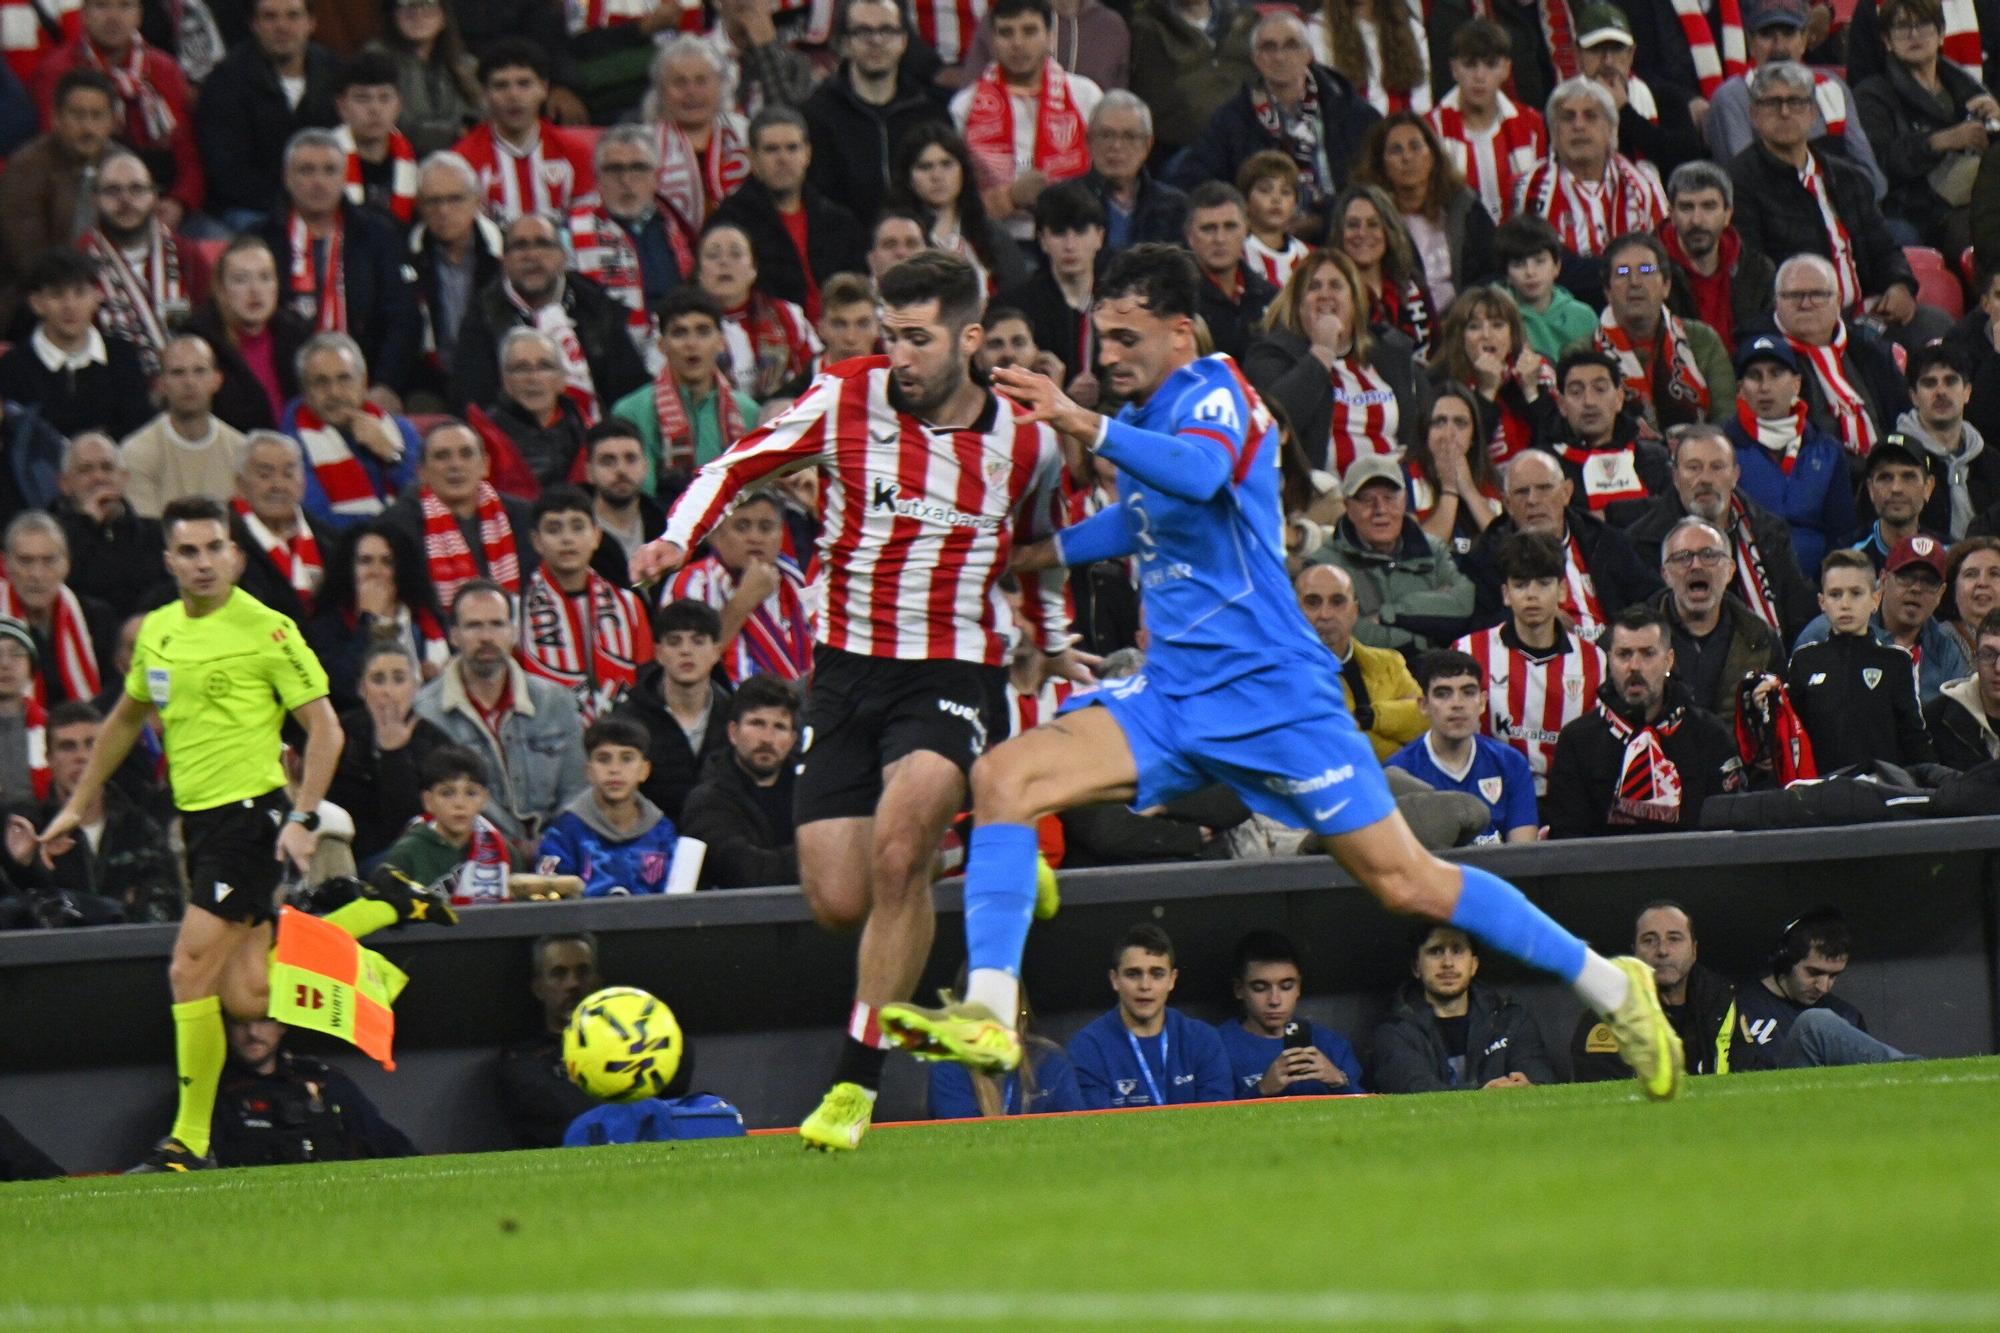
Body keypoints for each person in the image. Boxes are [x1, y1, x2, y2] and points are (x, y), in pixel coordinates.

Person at [884, 244, 1692, 1128]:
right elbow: (1151, 513)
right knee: (1006, 779)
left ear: (1179, 330)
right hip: (1173, 698)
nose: (1108, 353)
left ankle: (1616, 987)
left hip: (1276, 703)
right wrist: (1040, 552)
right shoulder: (1155, 410)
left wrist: (1082, 421)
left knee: (1410, 884)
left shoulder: (1217, 391)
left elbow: (1194, 473)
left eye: (1126, 336)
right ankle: (992, 1015)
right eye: (1099, 336)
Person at [627, 250, 1077, 1150]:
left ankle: (855, 1083)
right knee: (840, 894)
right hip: (841, 670)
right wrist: (678, 539)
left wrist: (1056, 644)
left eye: (919, 338)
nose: (900, 355)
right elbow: (737, 463)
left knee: (899, 844)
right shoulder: (846, 397)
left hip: (952, 669)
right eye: (890, 335)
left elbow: (1040, 549)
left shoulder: (1028, 440)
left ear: (971, 339)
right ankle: (982, 860)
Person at [33, 496, 407, 1172]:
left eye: (216, 548)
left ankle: (190, 1139)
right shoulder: (160, 632)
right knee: (248, 994)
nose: (205, 562)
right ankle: (384, 904)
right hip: (199, 824)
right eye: (190, 550)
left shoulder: (267, 629)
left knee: (187, 967)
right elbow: (124, 718)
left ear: (234, 552)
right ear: (170, 558)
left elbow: (325, 729)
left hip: (252, 815)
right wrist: (75, 805)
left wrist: (300, 816)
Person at [1730, 63, 1937, 355]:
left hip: (1866, 313)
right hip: (1802, 323)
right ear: (1754, 115)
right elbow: (1756, 278)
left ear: (1813, 113)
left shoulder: (1846, 176)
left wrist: (1899, 285)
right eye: (1773, 103)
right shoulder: (1740, 182)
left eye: (1797, 102)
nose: (1785, 112)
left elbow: (1884, 248)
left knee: (1936, 330)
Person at [1169, 9, 1381, 232]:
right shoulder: (1233, 119)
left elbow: (1376, 183)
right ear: (1256, 59)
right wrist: (1245, 219)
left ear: (1308, 54)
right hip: (1262, 238)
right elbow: (1193, 179)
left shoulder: (1350, 110)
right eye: (1269, 47)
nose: (1279, 57)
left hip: (1344, 230)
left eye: (1291, 45)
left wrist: (1325, 220)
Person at [1545, 603, 1744, 837]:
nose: (1634, 666)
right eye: (1624, 654)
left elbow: (1727, 831)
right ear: (1610, 660)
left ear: (1669, 660)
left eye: (1648, 654)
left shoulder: (1709, 734)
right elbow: (1568, 840)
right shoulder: (1578, 741)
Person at [263, 127, 422, 396]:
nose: (318, 182)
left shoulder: (378, 235)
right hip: (284, 386)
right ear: (287, 178)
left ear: (344, 177)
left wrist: (385, 385)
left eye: (329, 171)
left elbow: (402, 319)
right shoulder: (263, 240)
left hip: (365, 383)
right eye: (306, 171)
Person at [1625, 423, 1817, 644]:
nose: (1705, 479)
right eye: (1694, 467)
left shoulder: (1769, 532)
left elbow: (1798, 612)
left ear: (1735, 475)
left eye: (1717, 467)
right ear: (1676, 477)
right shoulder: (1641, 542)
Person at [450, 212, 649, 421]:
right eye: (520, 246)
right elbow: (472, 404)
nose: (532, 255)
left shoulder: (597, 307)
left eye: (542, 244)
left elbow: (631, 395)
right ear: (504, 261)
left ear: (563, 256)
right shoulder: (483, 316)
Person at [1453, 531, 1608, 796]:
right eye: (1521, 584)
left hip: (1567, 795)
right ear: (1506, 593)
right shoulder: (1468, 651)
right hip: (1489, 792)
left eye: (1544, 583)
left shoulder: (1594, 660)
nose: (1532, 595)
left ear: (1561, 590)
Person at [1244, 248, 1425, 475]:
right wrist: (1322, 351)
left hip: (1391, 492)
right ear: (1298, 304)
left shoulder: (1389, 353)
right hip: (1321, 500)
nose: (1325, 294)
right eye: (1314, 287)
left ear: (1355, 300)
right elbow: (1274, 426)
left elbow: (1419, 429)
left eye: (1336, 286)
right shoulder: (1270, 355)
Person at [1, 698, 180, 926]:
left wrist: (73, 905)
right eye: (68, 746)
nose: (82, 757)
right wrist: (24, 866)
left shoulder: (139, 827)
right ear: (49, 758)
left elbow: (163, 907)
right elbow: (21, 913)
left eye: (92, 744)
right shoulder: (30, 833)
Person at [1460, 447, 1662, 637]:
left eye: (1544, 488)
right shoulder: (1487, 557)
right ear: (1507, 504)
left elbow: (1650, 596)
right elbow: (1478, 626)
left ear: (1566, 492)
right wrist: (1526, 622)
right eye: (1522, 492)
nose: (1532, 500)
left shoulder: (1602, 540)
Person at [947, 0, 1104, 242]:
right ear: (992, 40)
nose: (1017, 43)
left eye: (1029, 31)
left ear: (1050, 37)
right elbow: (955, 195)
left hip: (1074, 237)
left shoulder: (1086, 96)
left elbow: (1105, 176)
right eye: (1006, 32)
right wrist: (1009, 197)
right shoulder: (964, 106)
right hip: (995, 241)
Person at [1702, 0, 1886, 203]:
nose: (1779, 47)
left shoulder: (1832, 87)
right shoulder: (1732, 98)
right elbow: (1748, 185)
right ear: (1750, 42)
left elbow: (1873, 180)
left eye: (1789, 34)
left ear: (1805, 38)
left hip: (1844, 212)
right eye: (1767, 34)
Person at [1855, 0, 1999, 257]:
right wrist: (1938, 141)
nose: (1913, 34)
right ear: (1887, 40)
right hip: (1913, 207)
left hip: (1975, 196)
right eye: (1901, 26)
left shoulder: (1966, 87)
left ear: (1942, 33)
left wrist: (1997, 122)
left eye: (1922, 24)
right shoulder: (1872, 94)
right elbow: (1879, 164)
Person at [1781, 548, 1936, 767]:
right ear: (1822, 602)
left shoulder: (1896, 662)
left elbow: (1913, 736)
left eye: (1855, 593)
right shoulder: (1805, 661)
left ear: (1875, 598)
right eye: (1835, 594)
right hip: (1820, 792)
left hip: (1880, 790)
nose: (1845, 604)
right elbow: (1789, 734)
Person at [711, 107, 866, 324]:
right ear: (752, 158)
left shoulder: (839, 221)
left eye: (792, 148)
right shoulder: (730, 223)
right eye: (771, 149)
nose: (783, 158)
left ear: (807, 154)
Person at [194, 0, 340, 230]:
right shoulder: (225, 81)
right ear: (254, 24)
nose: (282, 26)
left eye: (293, 16)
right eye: (270, 17)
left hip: (325, 203)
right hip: (252, 210)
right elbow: (229, 174)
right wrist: (294, 204)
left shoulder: (336, 74)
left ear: (311, 23)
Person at [1309, 454, 1477, 652]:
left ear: (1405, 499)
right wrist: (1426, 635)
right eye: (1367, 500)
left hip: (1434, 674)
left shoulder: (1434, 551)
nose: (1380, 509)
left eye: (1389, 498)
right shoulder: (1324, 565)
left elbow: (1462, 605)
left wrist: (1389, 615)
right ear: (1348, 506)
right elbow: (1347, 632)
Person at [1725, 332, 1857, 580]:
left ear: (1796, 384)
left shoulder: (1827, 450)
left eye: (1776, 374)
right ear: (1740, 389)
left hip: (1817, 588)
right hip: (1748, 586)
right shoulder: (1723, 448)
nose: (1765, 387)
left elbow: (1842, 534)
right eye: (1755, 376)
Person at [1572, 231, 1734, 433]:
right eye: (1622, 272)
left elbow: (1727, 421)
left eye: (1646, 270)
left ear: (1666, 285)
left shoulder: (1702, 339)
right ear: (1607, 291)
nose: (1635, 282)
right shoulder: (1583, 353)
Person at [802, 0, 948, 219]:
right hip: (847, 247)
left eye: (887, 30)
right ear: (845, 43)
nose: (876, 40)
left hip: (922, 245)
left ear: (904, 41)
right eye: (863, 31)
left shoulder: (930, 114)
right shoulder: (815, 116)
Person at [568, 126, 696, 369]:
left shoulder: (676, 226)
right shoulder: (572, 231)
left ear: (656, 177)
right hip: (605, 361)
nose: (626, 180)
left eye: (638, 168)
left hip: (677, 356)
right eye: (614, 169)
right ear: (597, 178)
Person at [1370, 925, 1557, 1092]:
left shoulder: (1510, 1020)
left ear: (1474, 965)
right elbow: (1416, 1091)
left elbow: (1543, 1081)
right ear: (1416, 967)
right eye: (1436, 951)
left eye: (1457, 950)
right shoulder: (1394, 1031)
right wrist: (1484, 1093)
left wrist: (1529, 1088)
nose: (1448, 963)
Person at [210, 1015, 418, 1166]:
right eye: (240, 1022)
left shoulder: (323, 1079)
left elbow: (386, 1142)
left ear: (282, 1023)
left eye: (264, 1019)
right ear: (225, 1027)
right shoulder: (210, 1093)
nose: (253, 1033)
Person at [1064, 924, 1234, 1108]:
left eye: (1157, 974)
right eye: (1133, 974)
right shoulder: (1088, 1047)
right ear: (1115, 980)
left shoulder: (1203, 1040)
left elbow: (1216, 1123)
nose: (1145, 985)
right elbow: (1095, 1130)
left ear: (1172, 979)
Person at [0, 70, 120, 328]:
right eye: (77, 115)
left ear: (112, 121)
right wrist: (82, 293)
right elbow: (30, 262)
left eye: (97, 116)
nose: (88, 127)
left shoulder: (123, 168)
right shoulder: (27, 168)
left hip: (113, 290)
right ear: (56, 118)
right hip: (42, 296)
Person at [519, 486, 649, 723]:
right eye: (553, 529)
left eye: (577, 527)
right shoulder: (519, 609)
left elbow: (647, 681)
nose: (567, 538)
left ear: (596, 536)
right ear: (537, 542)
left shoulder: (629, 605)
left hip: (622, 734)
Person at [1768, 254, 1914, 462]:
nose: (1806, 304)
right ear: (1777, 301)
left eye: (1818, 294)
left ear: (1837, 300)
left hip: (1885, 474)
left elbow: (1904, 421)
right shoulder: (1762, 359)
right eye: (1794, 295)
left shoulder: (1872, 352)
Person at [1386, 650, 1540, 843]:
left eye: (1468, 693)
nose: (1457, 704)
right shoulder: (1399, 772)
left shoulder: (1511, 763)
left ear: (1482, 702)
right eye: (1443, 694)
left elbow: (1523, 853)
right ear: (1423, 705)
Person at [1572, 901, 1737, 1081]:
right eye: (1649, 940)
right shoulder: (1609, 1012)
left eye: (1674, 938)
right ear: (1635, 953)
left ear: (1694, 950)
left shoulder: (1722, 1001)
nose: (1662, 950)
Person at [380, 420, 532, 615]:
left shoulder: (523, 518)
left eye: (466, 454)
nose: (455, 465)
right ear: (422, 472)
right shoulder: (395, 528)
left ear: (485, 465)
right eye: (442, 456)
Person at [0, 249, 153, 443]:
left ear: (97, 298)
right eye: (57, 295)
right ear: (36, 303)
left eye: (80, 293)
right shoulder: (13, 367)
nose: (70, 306)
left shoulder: (123, 356)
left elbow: (139, 433)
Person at [662, 490, 812, 686]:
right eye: (742, 527)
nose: (755, 538)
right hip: (724, 707)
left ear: (781, 535)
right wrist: (743, 601)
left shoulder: (796, 578)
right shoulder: (692, 581)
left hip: (799, 706)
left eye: (766, 528)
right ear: (714, 535)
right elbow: (688, 661)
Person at [79, 151, 206, 379]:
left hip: (186, 385)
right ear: (95, 198)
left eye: (137, 189)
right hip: (111, 386)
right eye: (113, 191)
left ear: (154, 197)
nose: (125, 200)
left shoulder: (186, 255)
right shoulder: (79, 260)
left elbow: (210, 327)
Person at [1733, 909, 1910, 1071]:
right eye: (1814, 972)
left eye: (1833, 976)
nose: (1823, 987)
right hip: (1764, 1099)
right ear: (1785, 961)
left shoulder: (1845, 1016)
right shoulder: (1738, 1007)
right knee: (1814, 1022)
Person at [495, 932, 628, 1147]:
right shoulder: (523, 1061)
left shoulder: (627, 1043)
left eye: (583, 972)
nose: (573, 984)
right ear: (539, 988)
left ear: (597, 982)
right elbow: (568, 1115)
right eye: (559, 974)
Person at [1512, 77, 1666, 260]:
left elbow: (1659, 266)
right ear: (1554, 132)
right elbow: (1520, 263)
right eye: (1568, 117)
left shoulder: (1645, 186)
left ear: (1610, 130)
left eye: (1590, 116)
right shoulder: (1527, 188)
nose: (1578, 126)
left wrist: (1626, 273)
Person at [1355, 113, 1495, 314]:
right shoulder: (1370, 216)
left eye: (1415, 146)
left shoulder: (1463, 206)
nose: (1407, 157)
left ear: (1432, 155)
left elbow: (1490, 271)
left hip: (1463, 322)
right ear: (1381, 164)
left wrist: (1462, 313)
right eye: (1396, 150)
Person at [326, 640, 451, 865]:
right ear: (362, 689)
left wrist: (394, 755)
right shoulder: (339, 735)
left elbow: (411, 824)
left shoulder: (437, 743)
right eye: (378, 680)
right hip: (348, 856)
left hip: (416, 858)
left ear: (415, 686)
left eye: (399, 679)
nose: (388, 691)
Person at [612, 599, 732, 827]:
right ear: (658, 653)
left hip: (722, 847)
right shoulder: (627, 721)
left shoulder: (735, 718)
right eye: (674, 642)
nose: (686, 651)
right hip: (650, 848)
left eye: (698, 642)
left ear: (716, 651)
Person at [1649, 516, 1786, 713]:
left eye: (1709, 555)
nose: (1696, 565)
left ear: (1730, 570)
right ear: (1665, 575)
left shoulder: (1761, 638)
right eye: (1682, 557)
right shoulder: (1631, 638)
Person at [284, 332, 421, 528]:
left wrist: (393, 456)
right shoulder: (291, 448)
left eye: (344, 379)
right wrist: (394, 526)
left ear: (364, 382)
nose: (334, 392)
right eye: (321, 382)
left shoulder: (402, 431)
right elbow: (321, 522)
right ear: (305, 391)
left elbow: (430, 500)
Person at [677, 673, 801, 890]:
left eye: (779, 727)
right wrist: (812, 857)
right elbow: (743, 873)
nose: (767, 738)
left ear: (792, 740)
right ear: (733, 732)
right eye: (756, 723)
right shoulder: (706, 800)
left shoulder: (812, 793)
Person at [450, 38, 594, 223]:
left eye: (524, 84)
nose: (513, 95)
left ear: (543, 88)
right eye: (501, 86)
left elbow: (588, 224)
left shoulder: (575, 153)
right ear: (485, 94)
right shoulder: (463, 160)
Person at [304, 521, 445, 708]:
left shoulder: (427, 620)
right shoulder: (326, 626)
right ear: (348, 569)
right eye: (365, 561)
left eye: (387, 562)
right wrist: (368, 619)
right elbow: (345, 687)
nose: (376, 572)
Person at [1294, 562, 1426, 760]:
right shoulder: (1274, 673)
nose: (1325, 614)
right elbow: (1329, 745)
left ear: (1354, 611)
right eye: (1313, 602)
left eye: (1337, 601)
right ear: (1293, 611)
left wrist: (1371, 717)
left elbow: (1427, 723)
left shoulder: (1389, 663)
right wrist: (1397, 724)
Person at [536, 715, 678, 897]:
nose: (615, 769)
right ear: (589, 771)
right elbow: (549, 900)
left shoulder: (662, 833)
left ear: (644, 770)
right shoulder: (563, 833)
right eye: (604, 759)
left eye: (627, 759)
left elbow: (675, 902)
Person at [1214, 929, 1365, 1098]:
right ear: (1239, 989)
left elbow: (1370, 1115)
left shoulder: (1331, 1044)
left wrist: (1339, 1083)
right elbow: (1205, 1119)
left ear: (1299, 986)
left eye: (1286, 986)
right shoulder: (1215, 1047)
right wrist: (1261, 1090)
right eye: (1260, 988)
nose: (1275, 1000)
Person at [1427, 18, 1549, 224]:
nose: (1479, 76)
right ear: (1454, 68)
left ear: (1506, 69)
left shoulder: (1531, 124)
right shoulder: (1431, 127)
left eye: (1491, 65)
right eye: (1470, 64)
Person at [186, 236, 313, 434]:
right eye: (240, 279)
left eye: (264, 277)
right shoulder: (201, 343)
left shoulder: (296, 334)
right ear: (220, 289)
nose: (255, 291)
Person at [889, 122, 1029, 297]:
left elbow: (1018, 297)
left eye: (946, 164)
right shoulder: (896, 237)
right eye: (925, 167)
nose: (937, 176)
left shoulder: (991, 234)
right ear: (908, 177)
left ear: (963, 171)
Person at [408, 151, 504, 400]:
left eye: (455, 199)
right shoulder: (404, 256)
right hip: (428, 384)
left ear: (477, 201)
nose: (444, 211)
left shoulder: (505, 255)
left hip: (497, 381)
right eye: (433, 201)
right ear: (419, 206)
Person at [1570, 2, 1705, 175]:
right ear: (1578, 54)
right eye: (1597, 49)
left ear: (1631, 53)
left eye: (1617, 49)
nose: (1608, 61)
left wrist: (1626, 112)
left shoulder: (1665, 98)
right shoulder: (1564, 107)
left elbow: (1688, 163)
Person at [695, 221, 823, 403]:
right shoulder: (682, 323)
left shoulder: (788, 315)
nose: (724, 262)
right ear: (699, 271)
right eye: (713, 255)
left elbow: (818, 375)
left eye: (736, 254)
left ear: (753, 269)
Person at [121, 336, 247, 519]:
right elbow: (147, 533)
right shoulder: (136, 452)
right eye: (178, 373)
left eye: (200, 371)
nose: (189, 382)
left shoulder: (241, 450)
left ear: (217, 380)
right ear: (161, 384)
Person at [379, 742, 523, 899]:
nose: (459, 804)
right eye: (447, 793)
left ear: (484, 799)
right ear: (428, 801)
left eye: (471, 793)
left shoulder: (505, 852)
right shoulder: (406, 854)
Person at [1536, 346, 1669, 516]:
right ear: (1561, 404)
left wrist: (1609, 515)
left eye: (1599, 389)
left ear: (1619, 399)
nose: (1589, 401)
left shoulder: (1655, 459)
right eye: (1576, 392)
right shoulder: (1544, 467)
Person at [0, 512, 115, 709]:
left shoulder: (96, 618)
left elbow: (114, 690)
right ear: (6, 564)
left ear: (66, 564)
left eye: (49, 560)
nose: (37, 574)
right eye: (25, 561)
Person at [1660, 161, 1776, 354]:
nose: (1697, 220)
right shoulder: (1650, 268)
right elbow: (1623, 270)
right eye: (1686, 207)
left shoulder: (1758, 271)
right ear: (1671, 214)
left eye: (1709, 207)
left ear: (1727, 214)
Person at [1127, 0, 1258, 161]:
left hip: (1250, 144)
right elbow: (1158, 109)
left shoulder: (1246, 21)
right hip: (1184, 152)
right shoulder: (1147, 29)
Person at [228, 430, 334, 627]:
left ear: (303, 483)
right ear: (240, 484)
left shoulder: (331, 542)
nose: (278, 485)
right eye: (265, 475)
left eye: (288, 474)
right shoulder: (223, 542)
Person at [1897, 341, 2000, 542]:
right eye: (1929, 383)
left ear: (1967, 392)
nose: (1941, 391)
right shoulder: (1895, 457)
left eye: (1950, 381)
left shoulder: (1992, 462)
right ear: (1914, 397)